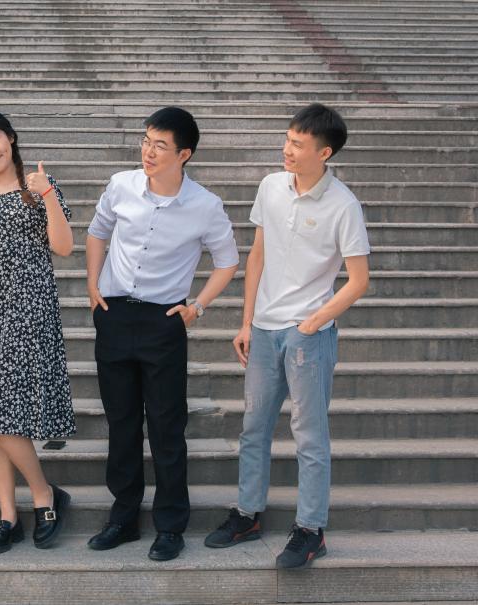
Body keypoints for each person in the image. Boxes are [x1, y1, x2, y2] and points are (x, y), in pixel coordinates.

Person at [204, 103, 370, 569]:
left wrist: (313, 322)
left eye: (298, 144)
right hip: (263, 329)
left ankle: (311, 529)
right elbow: (257, 254)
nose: (287, 150)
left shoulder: (343, 205)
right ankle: (247, 514)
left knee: (309, 436)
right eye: (287, 140)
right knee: (253, 428)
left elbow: (359, 280)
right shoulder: (271, 186)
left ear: (324, 152)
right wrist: (246, 320)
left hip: (307, 337)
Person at [85, 107, 239, 561]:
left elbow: (228, 261)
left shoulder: (205, 205)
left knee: (167, 427)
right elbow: (97, 232)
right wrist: (93, 285)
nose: (148, 152)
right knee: (122, 424)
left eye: (160, 145)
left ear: (183, 154)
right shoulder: (121, 185)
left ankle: (170, 526)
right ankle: (123, 518)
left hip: (163, 322)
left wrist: (197, 306)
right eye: (146, 141)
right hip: (114, 315)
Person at [0, 109, 75, 554]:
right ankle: (8, 515)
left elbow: (64, 247)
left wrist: (48, 196)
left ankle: (44, 494)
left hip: (29, 307)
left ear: (11, 138)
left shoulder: (40, 185)